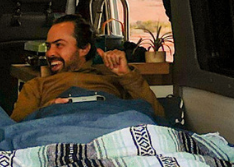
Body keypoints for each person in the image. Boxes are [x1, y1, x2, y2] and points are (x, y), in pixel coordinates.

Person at [11, 14, 164, 121]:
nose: (50, 53)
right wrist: (45, 109)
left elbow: (158, 118)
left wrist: (127, 76)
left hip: (110, 128)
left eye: (59, 45)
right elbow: (16, 130)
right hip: (58, 130)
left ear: (84, 48)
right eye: (48, 46)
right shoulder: (37, 86)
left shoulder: (114, 80)